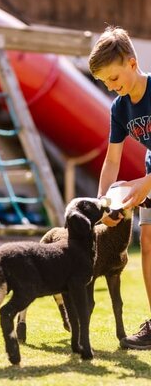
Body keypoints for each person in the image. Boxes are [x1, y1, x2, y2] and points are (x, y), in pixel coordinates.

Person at [89, 26, 151, 349]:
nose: (112, 88)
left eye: (113, 79)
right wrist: (103, 205)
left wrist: (144, 183)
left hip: (149, 178)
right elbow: (112, 162)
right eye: (104, 83)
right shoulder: (120, 108)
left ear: (131, 62)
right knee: (149, 246)